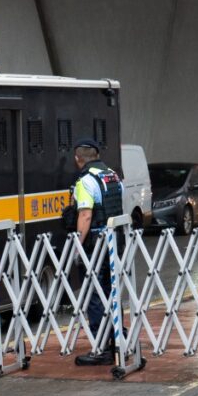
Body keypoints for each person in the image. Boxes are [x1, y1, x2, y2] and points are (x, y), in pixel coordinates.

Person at [67, 139, 125, 366]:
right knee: (112, 291)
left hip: (95, 244)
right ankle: (117, 339)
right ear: (97, 155)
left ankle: (100, 347)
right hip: (115, 241)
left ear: (77, 159)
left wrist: (78, 245)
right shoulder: (112, 175)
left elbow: (85, 215)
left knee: (94, 293)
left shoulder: (85, 181)